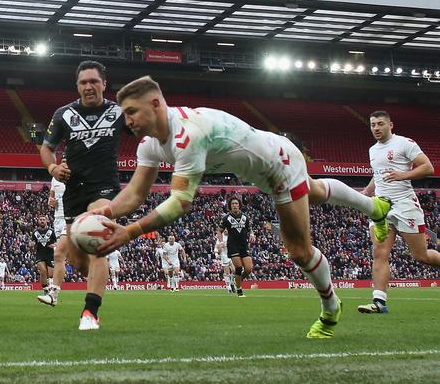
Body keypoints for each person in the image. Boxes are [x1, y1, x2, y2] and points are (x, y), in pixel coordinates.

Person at [92, 76, 392, 338]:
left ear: (155, 104)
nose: (127, 120)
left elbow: (180, 203)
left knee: (298, 251)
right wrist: (103, 213)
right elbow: (134, 193)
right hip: (263, 164)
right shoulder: (150, 144)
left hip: (278, 166)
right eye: (124, 113)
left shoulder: (188, 135)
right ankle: (374, 208)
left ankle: (330, 307)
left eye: (132, 111)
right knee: (313, 191)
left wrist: (128, 232)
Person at [37, 60, 125, 331]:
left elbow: (148, 130)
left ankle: (90, 312)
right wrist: (53, 167)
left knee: (96, 241)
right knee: (77, 260)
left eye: (94, 81)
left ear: (104, 84)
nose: (89, 86)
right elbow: (46, 147)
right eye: (83, 82)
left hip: (104, 188)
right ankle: (95, 275)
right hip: (73, 191)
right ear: (77, 86)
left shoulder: (118, 112)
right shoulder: (64, 114)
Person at [358, 110, 439, 314]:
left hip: (404, 204)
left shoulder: (405, 143)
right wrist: (366, 193)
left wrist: (403, 175)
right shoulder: (372, 150)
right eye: (373, 124)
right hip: (381, 206)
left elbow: (428, 168)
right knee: (379, 252)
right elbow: (378, 176)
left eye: (380, 124)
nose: (376, 128)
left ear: (390, 125)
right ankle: (379, 302)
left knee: (421, 256)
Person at [37, 173, 66, 303]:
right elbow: (51, 197)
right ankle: (53, 295)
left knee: (60, 255)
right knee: (60, 256)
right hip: (58, 220)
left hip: (70, 218)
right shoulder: (55, 178)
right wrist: (51, 201)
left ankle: (53, 294)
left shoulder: (77, 173)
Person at [219, 197, 255, 297]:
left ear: (239, 205)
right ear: (230, 206)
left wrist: (252, 234)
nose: (235, 205)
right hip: (233, 245)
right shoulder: (226, 218)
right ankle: (239, 290)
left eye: (236, 203)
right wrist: (221, 242)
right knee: (238, 267)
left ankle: (235, 281)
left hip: (244, 245)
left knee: (248, 269)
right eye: (233, 204)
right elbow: (219, 230)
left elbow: (249, 228)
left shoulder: (245, 217)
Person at [31, 215, 56, 294]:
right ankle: (45, 289)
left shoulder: (51, 231)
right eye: (40, 219)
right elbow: (32, 242)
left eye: (43, 219)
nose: (42, 221)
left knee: (50, 274)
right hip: (40, 254)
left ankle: (50, 287)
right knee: (43, 271)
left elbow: (56, 242)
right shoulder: (35, 232)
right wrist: (31, 244)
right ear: (38, 221)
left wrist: (54, 245)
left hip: (50, 254)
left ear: (46, 221)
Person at [214, 226, 235, 294]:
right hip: (224, 256)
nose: (226, 231)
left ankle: (232, 283)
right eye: (225, 230)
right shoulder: (221, 237)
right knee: (227, 273)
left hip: (232, 255)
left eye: (227, 229)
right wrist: (216, 254)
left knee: (235, 270)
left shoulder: (232, 236)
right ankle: (228, 286)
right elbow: (217, 247)